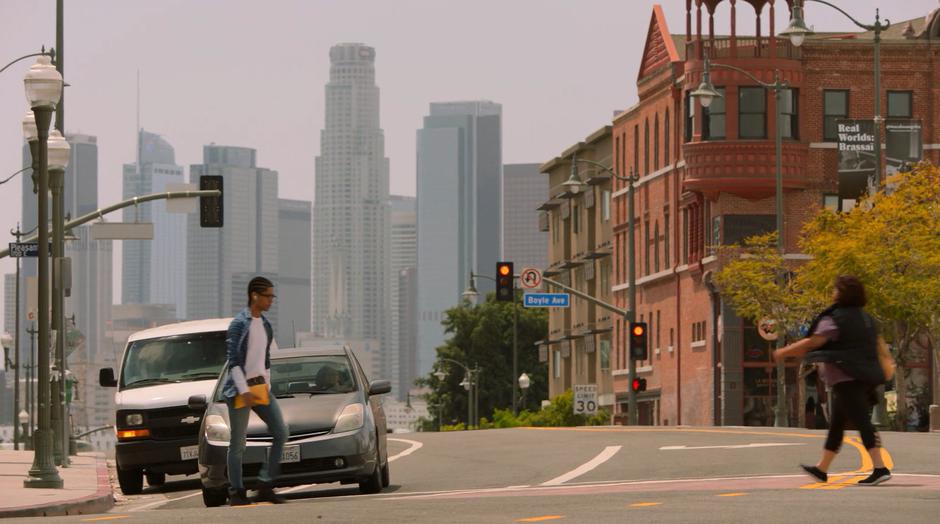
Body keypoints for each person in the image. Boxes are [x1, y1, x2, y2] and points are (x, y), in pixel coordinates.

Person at [773, 275, 891, 486]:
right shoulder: (866, 319)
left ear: (842, 292)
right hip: (863, 376)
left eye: (836, 289)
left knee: (863, 422)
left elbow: (813, 342)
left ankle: (880, 467)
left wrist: (784, 352)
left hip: (846, 378)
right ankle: (822, 469)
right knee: (837, 424)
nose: (833, 292)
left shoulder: (835, 318)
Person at [222, 276, 288, 505]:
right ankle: (237, 493)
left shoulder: (266, 325)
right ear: (254, 296)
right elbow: (234, 362)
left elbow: (266, 360)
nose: (271, 300)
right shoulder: (239, 324)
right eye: (268, 296)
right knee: (238, 444)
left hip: (260, 388)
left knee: (281, 432)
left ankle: (265, 485)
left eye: (272, 296)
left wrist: (266, 386)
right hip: (240, 391)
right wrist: (244, 390)